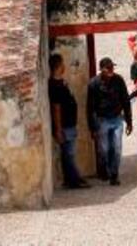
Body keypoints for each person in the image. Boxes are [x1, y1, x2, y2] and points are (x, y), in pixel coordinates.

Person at [87, 57, 133, 186]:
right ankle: (105, 169)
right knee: (104, 149)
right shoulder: (94, 84)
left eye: (112, 67)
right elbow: (90, 107)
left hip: (117, 118)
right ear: (101, 69)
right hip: (102, 120)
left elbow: (125, 100)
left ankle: (114, 174)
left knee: (117, 147)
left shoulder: (118, 80)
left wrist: (129, 121)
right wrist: (92, 127)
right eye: (108, 68)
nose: (111, 70)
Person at [48, 54, 89, 189]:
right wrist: (58, 129)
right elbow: (56, 108)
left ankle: (72, 179)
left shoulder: (61, 83)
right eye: (62, 64)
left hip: (69, 123)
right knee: (69, 154)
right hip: (65, 125)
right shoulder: (55, 86)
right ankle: (75, 179)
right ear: (59, 66)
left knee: (68, 153)